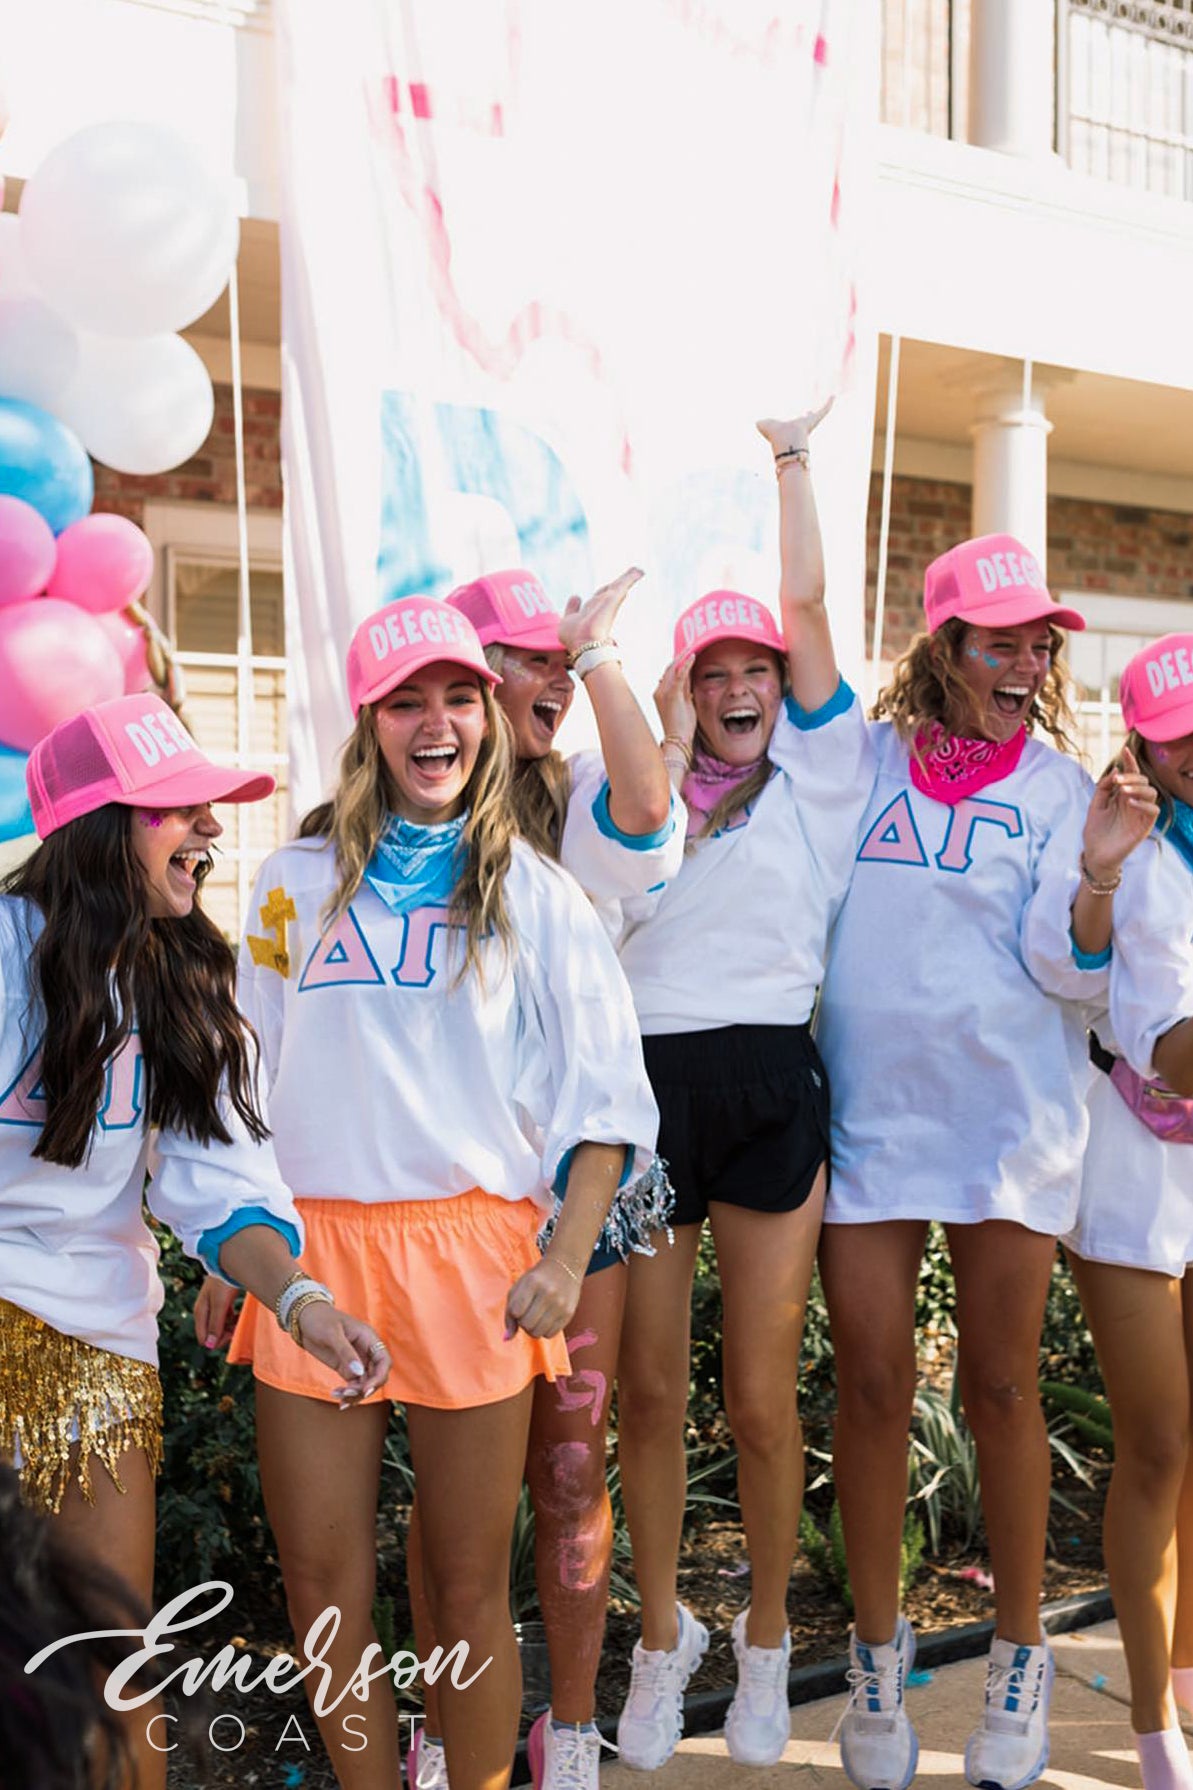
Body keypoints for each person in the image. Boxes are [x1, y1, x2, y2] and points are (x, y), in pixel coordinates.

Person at [196, 596, 658, 1790]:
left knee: (463, 1586)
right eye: (406, 701)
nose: (436, 721)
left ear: (487, 718)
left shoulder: (536, 891)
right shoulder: (293, 881)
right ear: (368, 721)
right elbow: (248, 1072)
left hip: (474, 1258)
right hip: (315, 1253)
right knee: (322, 1583)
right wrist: (230, 1247)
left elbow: (605, 1096)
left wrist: (565, 1255)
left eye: (457, 696)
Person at [0, 693, 391, 1790]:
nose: (212, 826)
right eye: (177, 808)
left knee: (110, 1664)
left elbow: (222, 1188)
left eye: (207, 806)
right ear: (98, 825)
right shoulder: (4, 949)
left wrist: (303, 1303)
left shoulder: (185, 978)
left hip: (91, 1342)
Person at [817, 537, 1114, 1790]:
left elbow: (1064, 965)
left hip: (1005, 1121)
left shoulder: (1060, 788)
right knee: (871, 1384)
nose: (1026, 662)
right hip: (868, 1121)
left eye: (1038, 643)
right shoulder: (860, 763)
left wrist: (1096, 871)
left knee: (999, 1388)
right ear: (943, 647)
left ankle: (1016, 1656)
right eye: (1000, 641)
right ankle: (874, 1664)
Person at [612, 402, 872, 1771]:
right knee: (650, 1392)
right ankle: (664, 1637)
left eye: (754, 665)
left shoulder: (824, 773)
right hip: (647, 1089)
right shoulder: (638, 790)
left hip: (772, 1078)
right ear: (684, 686)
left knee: (761, 1396)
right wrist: (653, 736)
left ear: (780, 680)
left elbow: (811, 600)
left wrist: (790, 459)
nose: (736, 684)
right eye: (709, 668)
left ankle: (767, 1636)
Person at [426, 563, 680, 1790]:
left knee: (572, 1465)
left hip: (584, 1192)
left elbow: (649, 797)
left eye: (555, 661)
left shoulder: (578, 797)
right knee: (448, 1492)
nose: (550, 679)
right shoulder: (393, 829)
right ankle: (448, 1728)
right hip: (446, 1206)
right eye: (524, 657)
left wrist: (596, 654)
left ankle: (566, 1731)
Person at [1063, 634, 1193, 1790]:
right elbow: (1165, 1049)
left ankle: (1188, 1674)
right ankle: (1152, 1721)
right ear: (1142, 745)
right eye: (1177, 732)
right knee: (1154, 1441)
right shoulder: (1125, 850)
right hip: (1132, 1167)